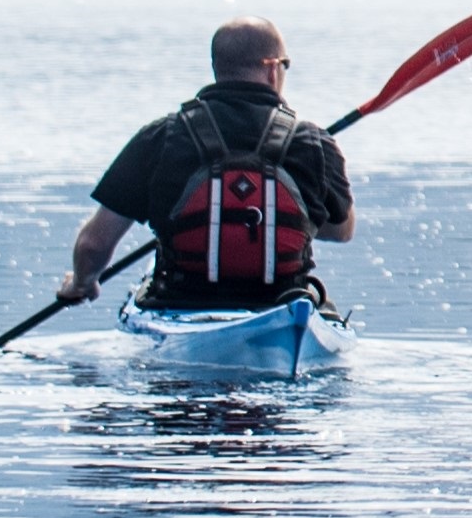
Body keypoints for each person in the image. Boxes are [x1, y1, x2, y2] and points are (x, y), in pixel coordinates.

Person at [57, 17, 358, 312]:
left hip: (181, 301)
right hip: (283, 303)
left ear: (218, 68)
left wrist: (82, 283)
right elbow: (342, 231)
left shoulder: (161, 136)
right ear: (271, 69)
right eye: (285, 65)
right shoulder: (312, 140)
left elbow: (93, 245)